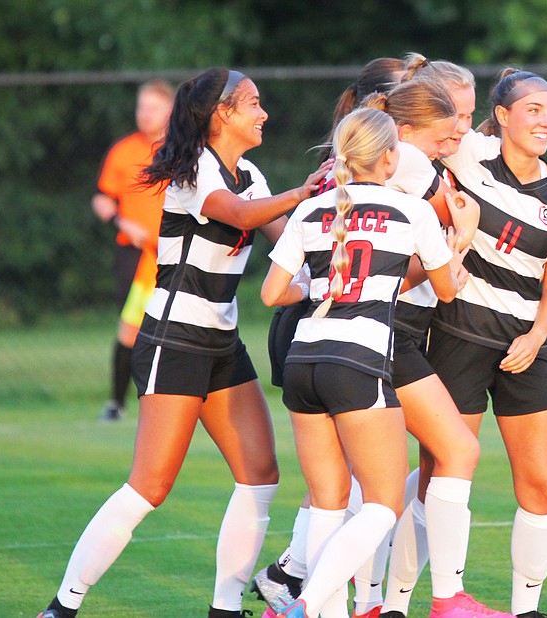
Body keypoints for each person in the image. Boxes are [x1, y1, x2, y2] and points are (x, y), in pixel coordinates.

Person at [36, 68, 328, 618]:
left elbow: (288, 237)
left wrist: (338, 198)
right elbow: (237, 214)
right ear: (223, 113)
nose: (264, 114)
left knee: (260, 474)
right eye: (255, 104)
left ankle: (224, 609)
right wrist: (304, 189)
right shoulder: (195, 170)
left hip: (222, 340)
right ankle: (62, 607)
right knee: (150, 486)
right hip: (174, 339)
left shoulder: (252, 173)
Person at [257, 107, 462, 618]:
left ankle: (322, 610)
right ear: (390, 157)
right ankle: (305, 604)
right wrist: (462, 236)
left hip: (303, 357)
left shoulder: (312, 209)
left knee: (329, 499)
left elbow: (271, 293)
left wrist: (323, 289)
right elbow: (445, 290)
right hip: (358, 359)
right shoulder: (410, 210)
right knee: (383, 503)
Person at [427, 68, 547, 618]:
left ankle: (526, 610)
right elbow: (414, 131)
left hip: (525, 345)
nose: (546, 120)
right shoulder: (466, 152)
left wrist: (538, 335)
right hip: (457, 332)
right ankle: (407, 603)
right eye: (534, 109)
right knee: (444, 472)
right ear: (502, 115)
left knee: (542, 485)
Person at [377, 56, 483, 618]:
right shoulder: (414, 166)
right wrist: (460, 237)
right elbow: (420, 275)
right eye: (455, 116)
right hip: (389, 330)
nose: (462, 130)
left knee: (362, 487)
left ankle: (363, 601)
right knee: (456, 451)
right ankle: (447, 599)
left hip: (367, 329)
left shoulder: (388, 158)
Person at [91, 79, 174, 421]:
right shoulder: (124, 150)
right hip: (136, 255)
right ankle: (117, 402)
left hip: (173, 253)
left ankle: (172, 400)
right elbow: (101, 198)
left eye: (153, 108)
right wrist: (121, 223)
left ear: (171, 111)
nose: (145, 114)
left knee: (176, 327)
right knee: (132, 328)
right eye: (141, 106)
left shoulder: (181, 152)